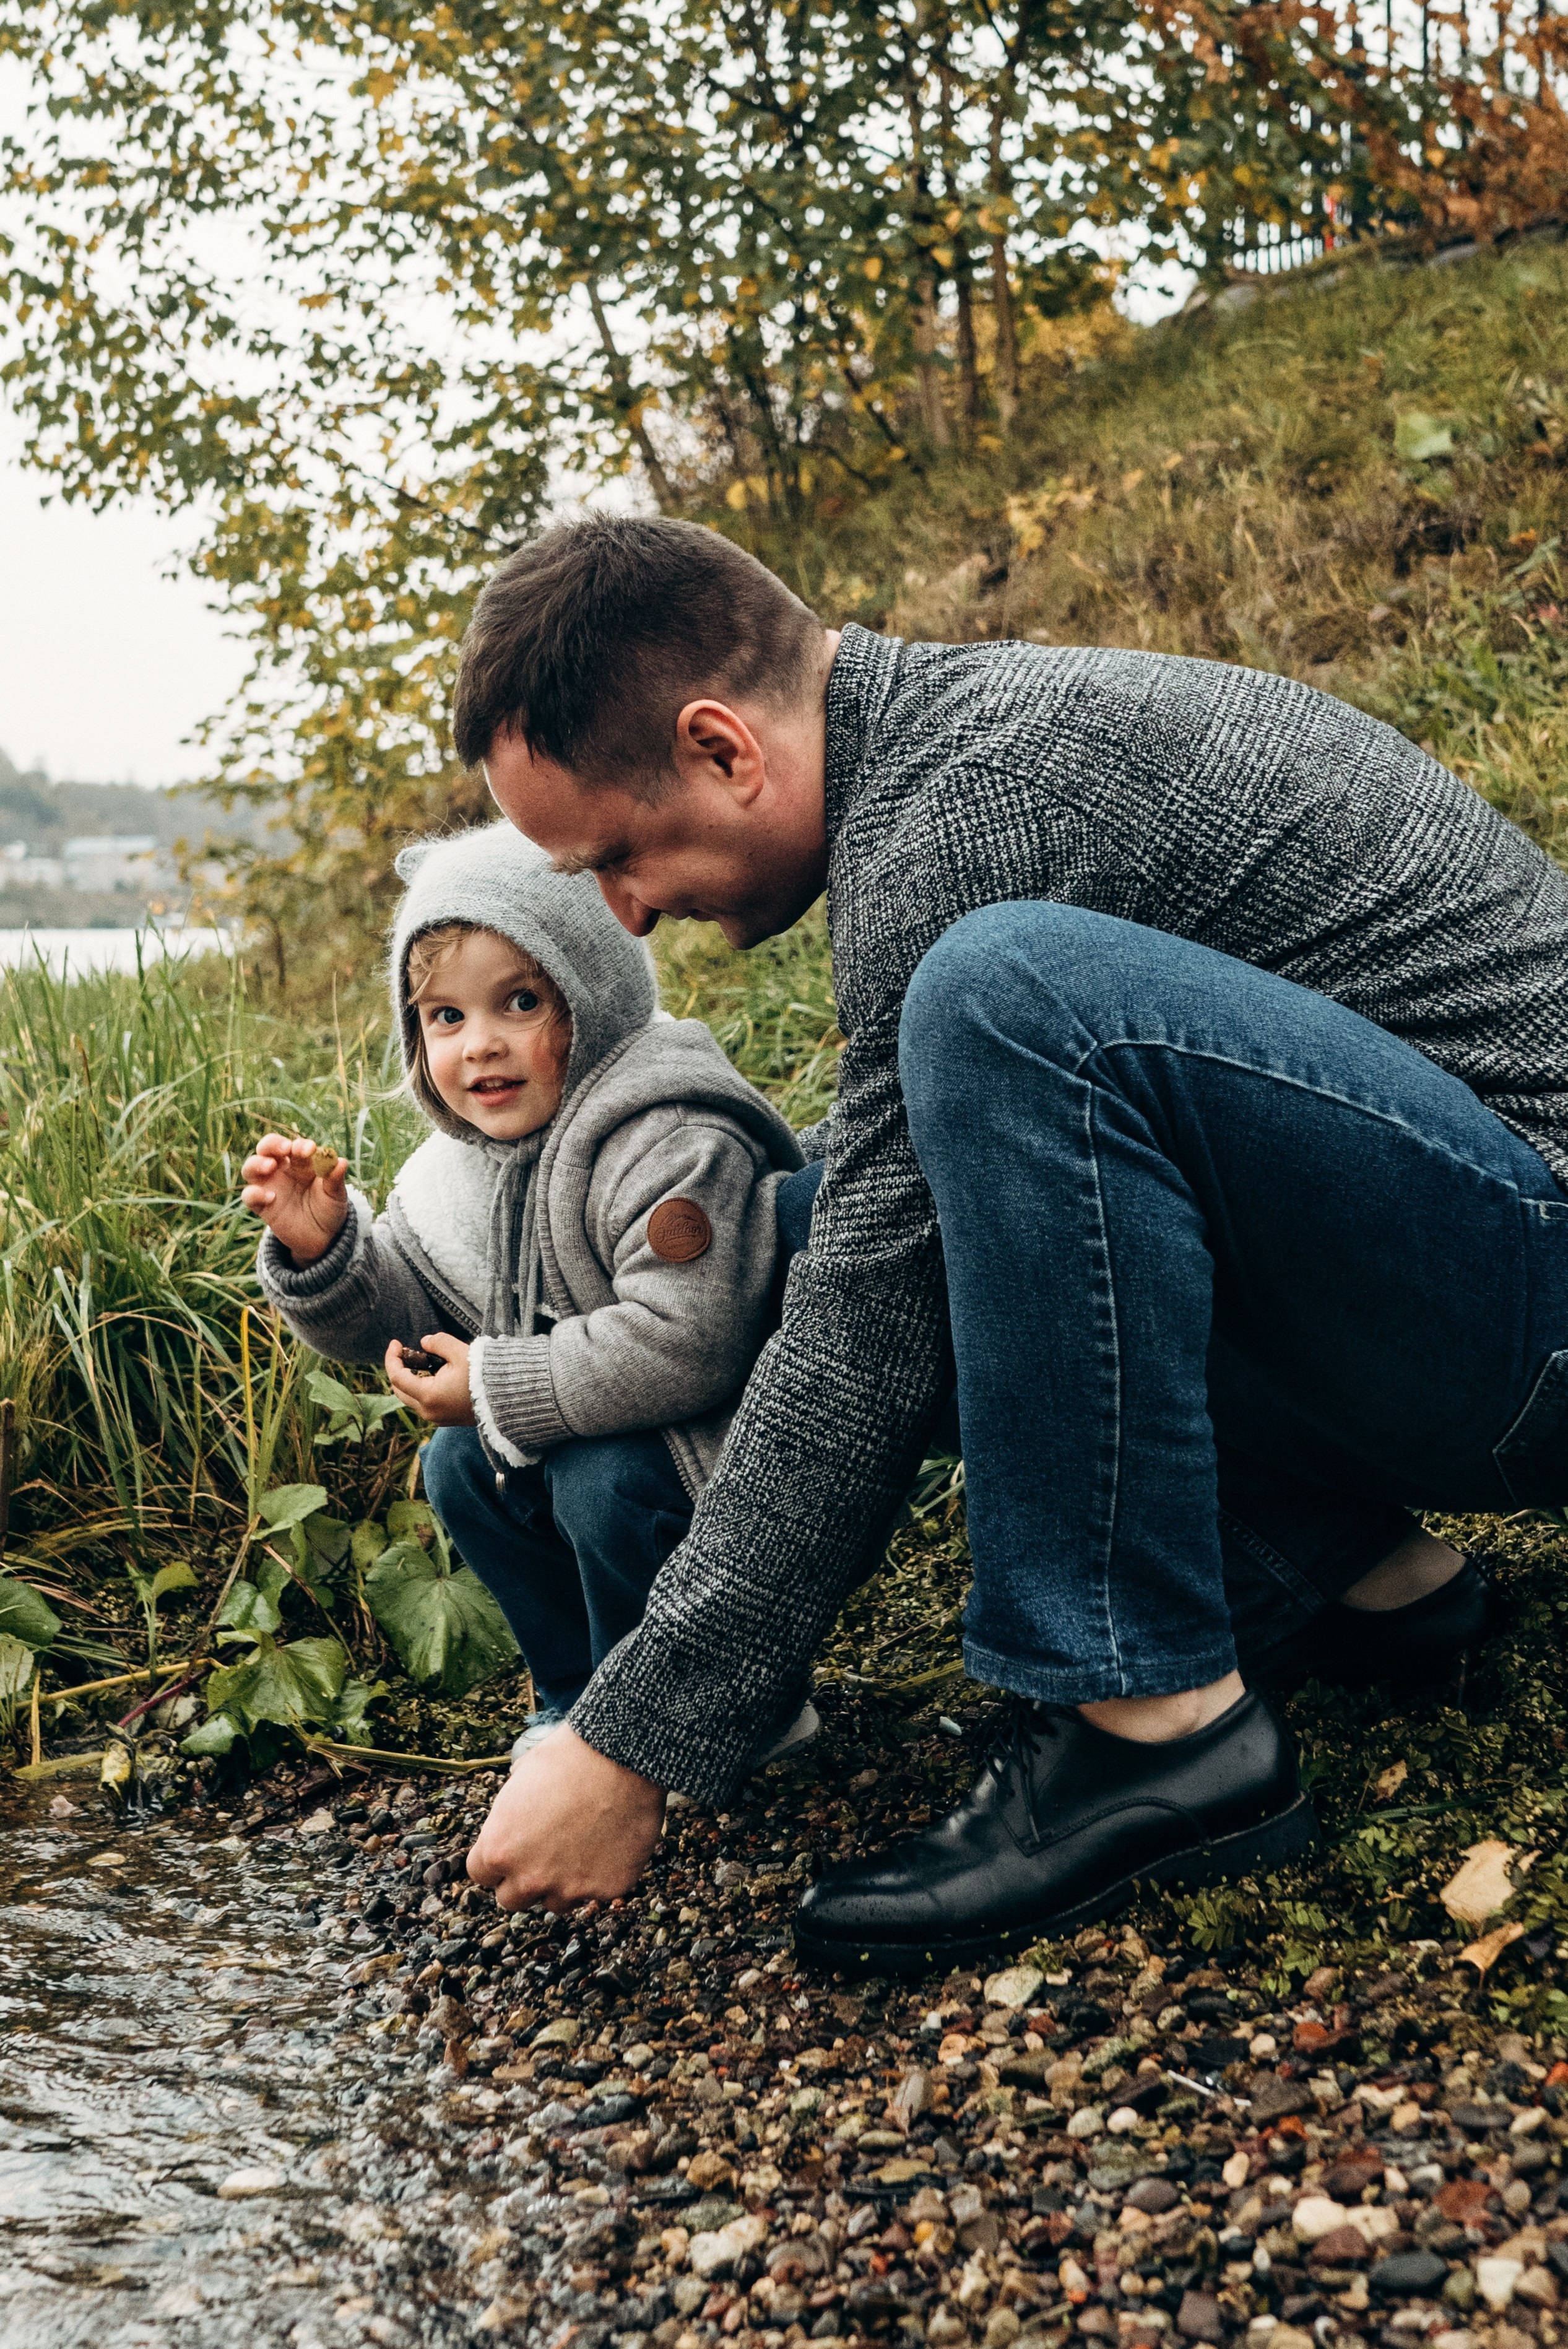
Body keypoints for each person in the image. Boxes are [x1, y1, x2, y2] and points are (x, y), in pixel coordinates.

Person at [456, 515, 1568, 1976]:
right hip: (1462, 1283)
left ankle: (1153, 1727)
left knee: (999, 1004)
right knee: (793, 1227)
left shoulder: (968, 816)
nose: (623, 913)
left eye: (613, 856)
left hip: (1531, 1306)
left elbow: (875, 1323)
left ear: (725, 748)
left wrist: (632, 1738)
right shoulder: (960, 743)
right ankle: (1354, 1576)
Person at [240, 820, 811, 1763]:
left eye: (518, 1002)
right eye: (446, 1018)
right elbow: (410, 1319)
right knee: (459, 1464)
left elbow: (691, 1338)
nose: (480, 1048)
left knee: (598, 1480)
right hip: (604, 1432)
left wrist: (498, 1385)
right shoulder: (460, 1169)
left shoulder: (665, 1133)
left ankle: (725, 1703)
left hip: (735, 1463)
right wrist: (328, 1250)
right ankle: (580, 1702)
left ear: (591, 992)